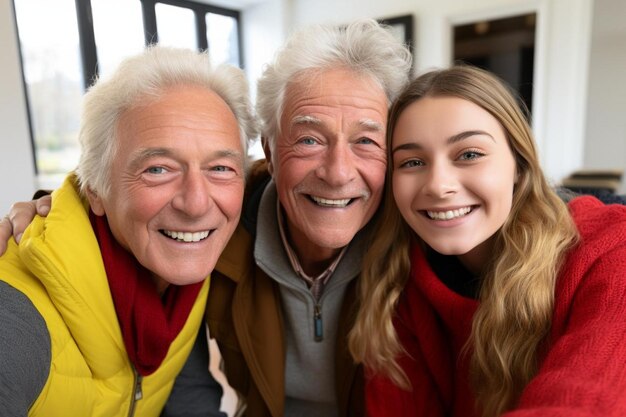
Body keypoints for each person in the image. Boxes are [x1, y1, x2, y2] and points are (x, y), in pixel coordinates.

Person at [0, 19, 411, 417]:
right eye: (308, 139)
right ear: (268, 152)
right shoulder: (215, 238)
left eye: (365, 141)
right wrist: (50, 209)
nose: (196, 204)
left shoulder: (419, 239)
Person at [348, 66, 626, 417]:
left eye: (469, 154)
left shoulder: (611, 251)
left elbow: (585, 404)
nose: (438, 185)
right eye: (413, 161)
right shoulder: (396, 282)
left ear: (520, 166)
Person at [0, 45, 257, 416]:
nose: (198, 203)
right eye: (158, 169)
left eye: (220, 168)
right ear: (96, 190)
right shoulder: (16, 310)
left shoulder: (181, 280)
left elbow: (190, 405)